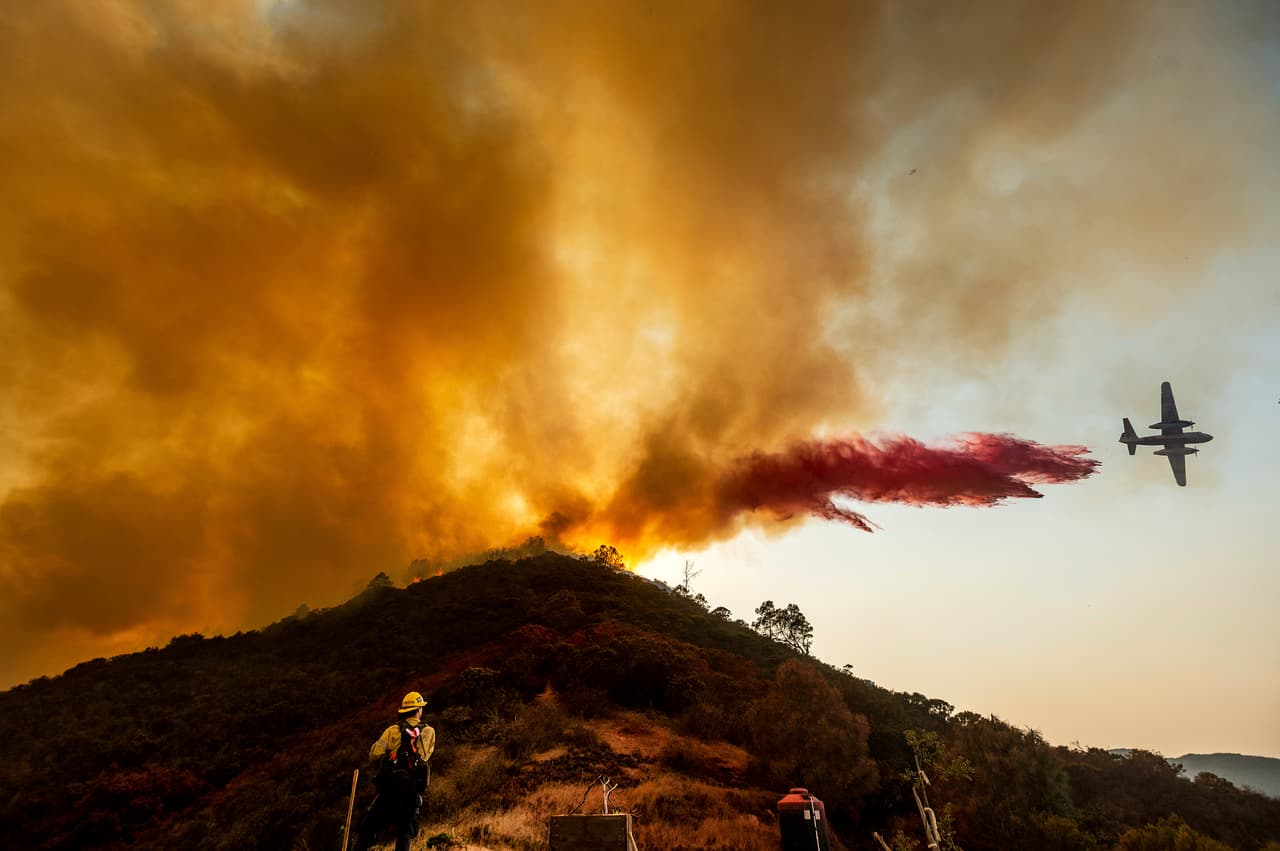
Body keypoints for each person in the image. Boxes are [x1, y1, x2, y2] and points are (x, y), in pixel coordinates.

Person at [352, 691, 437, 851]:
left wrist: (393, 754)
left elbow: (374, 754)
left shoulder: (392, 730)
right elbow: (424, 757)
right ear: (419, 710)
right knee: (405, 833)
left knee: (368, 829)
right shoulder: (428, 731)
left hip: (389, 790)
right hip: (411, 791)